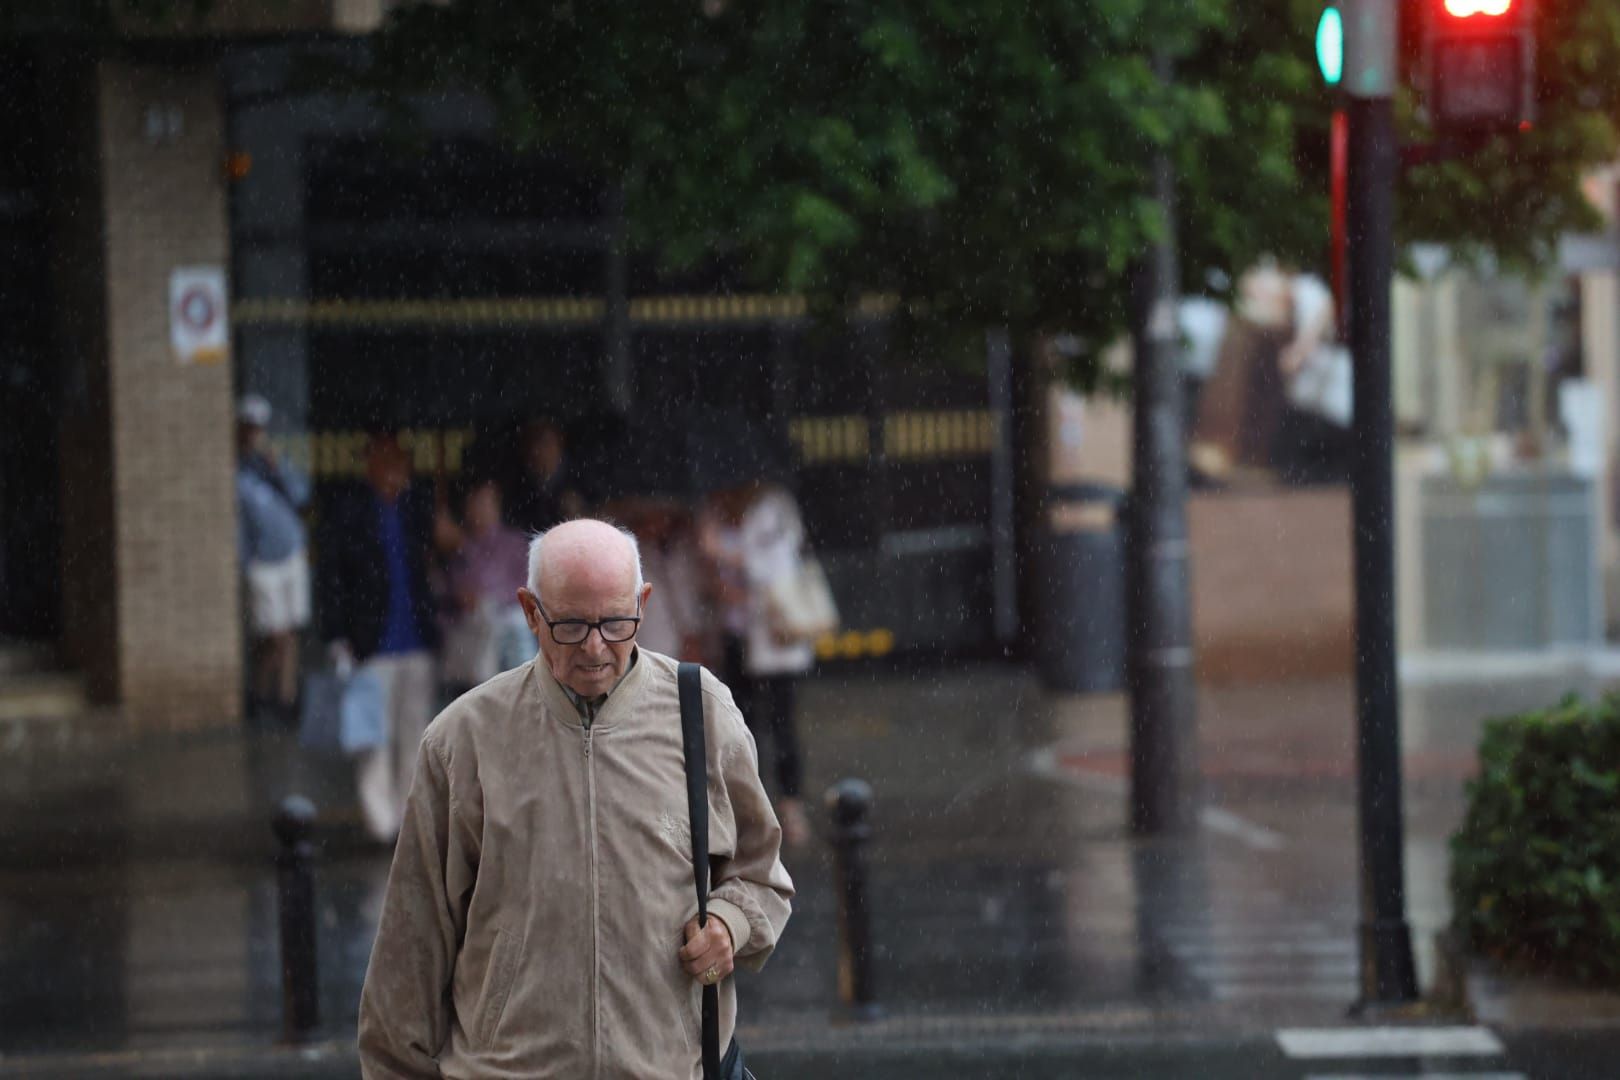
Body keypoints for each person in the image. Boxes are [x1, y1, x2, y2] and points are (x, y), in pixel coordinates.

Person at [357, 519, 793, 1077]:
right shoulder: (462, 739)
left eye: (616, 622)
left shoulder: (702, 714)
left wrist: (730, 924)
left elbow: (763, 875)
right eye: (570, 625)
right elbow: (409, 950)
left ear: (644, 603)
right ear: (530, 611)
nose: (594, 647)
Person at [319, 433, 440, 844]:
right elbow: (332, 576)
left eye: (400, 463)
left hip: (416, 641)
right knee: (372, 736)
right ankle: (379, 820)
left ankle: (408, 819)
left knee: (415, 735)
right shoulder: (351, 512)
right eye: (386, 462)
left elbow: (438, 560)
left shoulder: (415, 511)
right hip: (371, 643)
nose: (394, 471)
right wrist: (336, 635)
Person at [699, 480, 816, 848]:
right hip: (735, 635)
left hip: (773, 637)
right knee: (740, 723)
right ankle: (751, 805)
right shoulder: (712, 513)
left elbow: (776, 564)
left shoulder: (774, 507)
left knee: (782, 722)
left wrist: (724, 553)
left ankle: (790, 805)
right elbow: (705, 579)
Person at [235, 394, 311, 727]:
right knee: (273, 635)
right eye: (250, 429)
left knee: (290, 633)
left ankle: (285, 699)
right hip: (262, 562)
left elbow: (300, 496)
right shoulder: (236, 471)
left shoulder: (273, 463)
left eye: (260, 429)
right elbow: (239, 522)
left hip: (291, 552)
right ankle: (260, 693)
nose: (256, 435)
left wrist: (278, 467)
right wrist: (244, 563)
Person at [435, 474, 535, 690]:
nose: (480, 508)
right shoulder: (457, 548)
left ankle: (525, 686)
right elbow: (447, 596)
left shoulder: (514, 543)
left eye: (485, 501)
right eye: (475, 502)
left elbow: (524, 590)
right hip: (468, 647)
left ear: (496, 505)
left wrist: (483, 599)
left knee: (512, 619)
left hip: (507, 640)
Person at [504, 417, 587, 533]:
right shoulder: (516, 482)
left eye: (546, 443)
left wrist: (581, 511)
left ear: (559, 443)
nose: (539, 450)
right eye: (533, 444)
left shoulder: (582, 474)